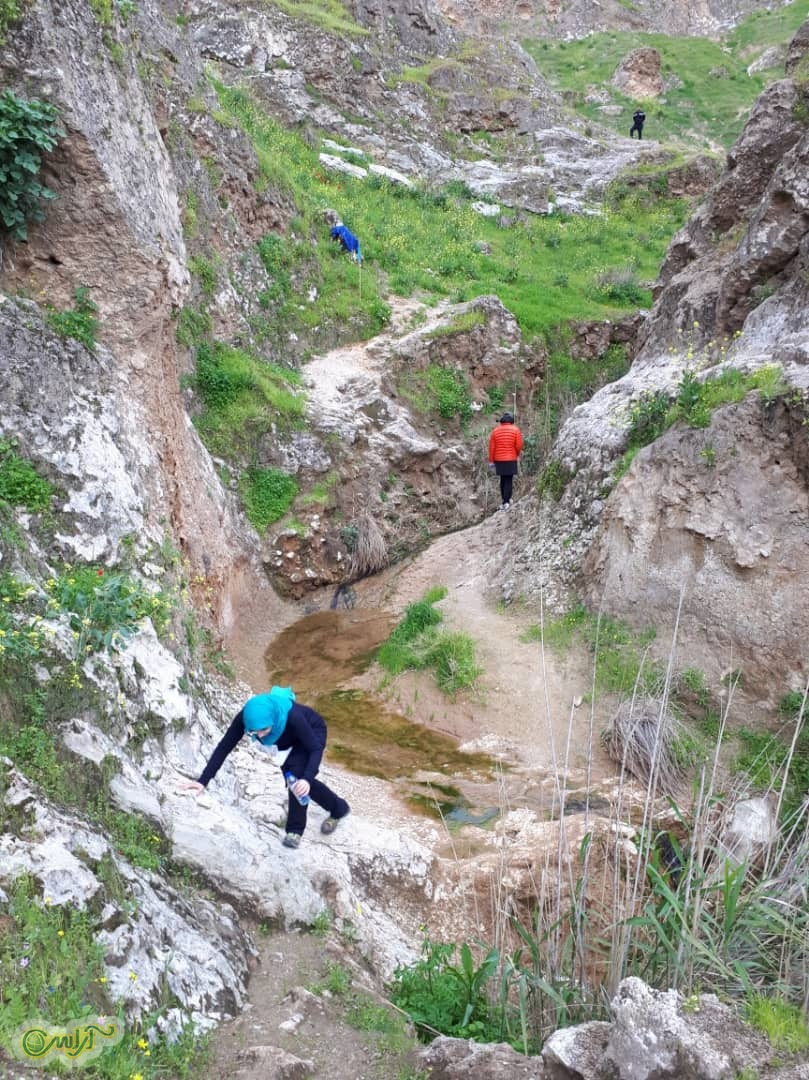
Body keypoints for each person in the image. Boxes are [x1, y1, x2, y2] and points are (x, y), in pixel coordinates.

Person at [182, 686, 350, 849]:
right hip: (287, 737)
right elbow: (224, 747)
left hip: (312, 731)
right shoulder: (246, 717)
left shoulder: (294, 717)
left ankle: (294, 831)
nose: (260, 736)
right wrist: (203, 781)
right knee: (295, 779)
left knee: (297, 778)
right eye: (254, 732)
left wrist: (307, 778)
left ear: (272, 720)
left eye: (263, 730)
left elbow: (315, 748)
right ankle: (339, 808)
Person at [488, 411, 524, 512]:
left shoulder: (495, 431)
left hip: (499, 459)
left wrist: (491, 461)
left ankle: (505, 500)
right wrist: (516, 454)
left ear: (502, 420)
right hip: (511, 458)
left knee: (503, 479)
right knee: (509, 479)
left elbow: (492, 448)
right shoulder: (515, 430)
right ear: (512, 420)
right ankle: (506, 502)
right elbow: (519, 445)